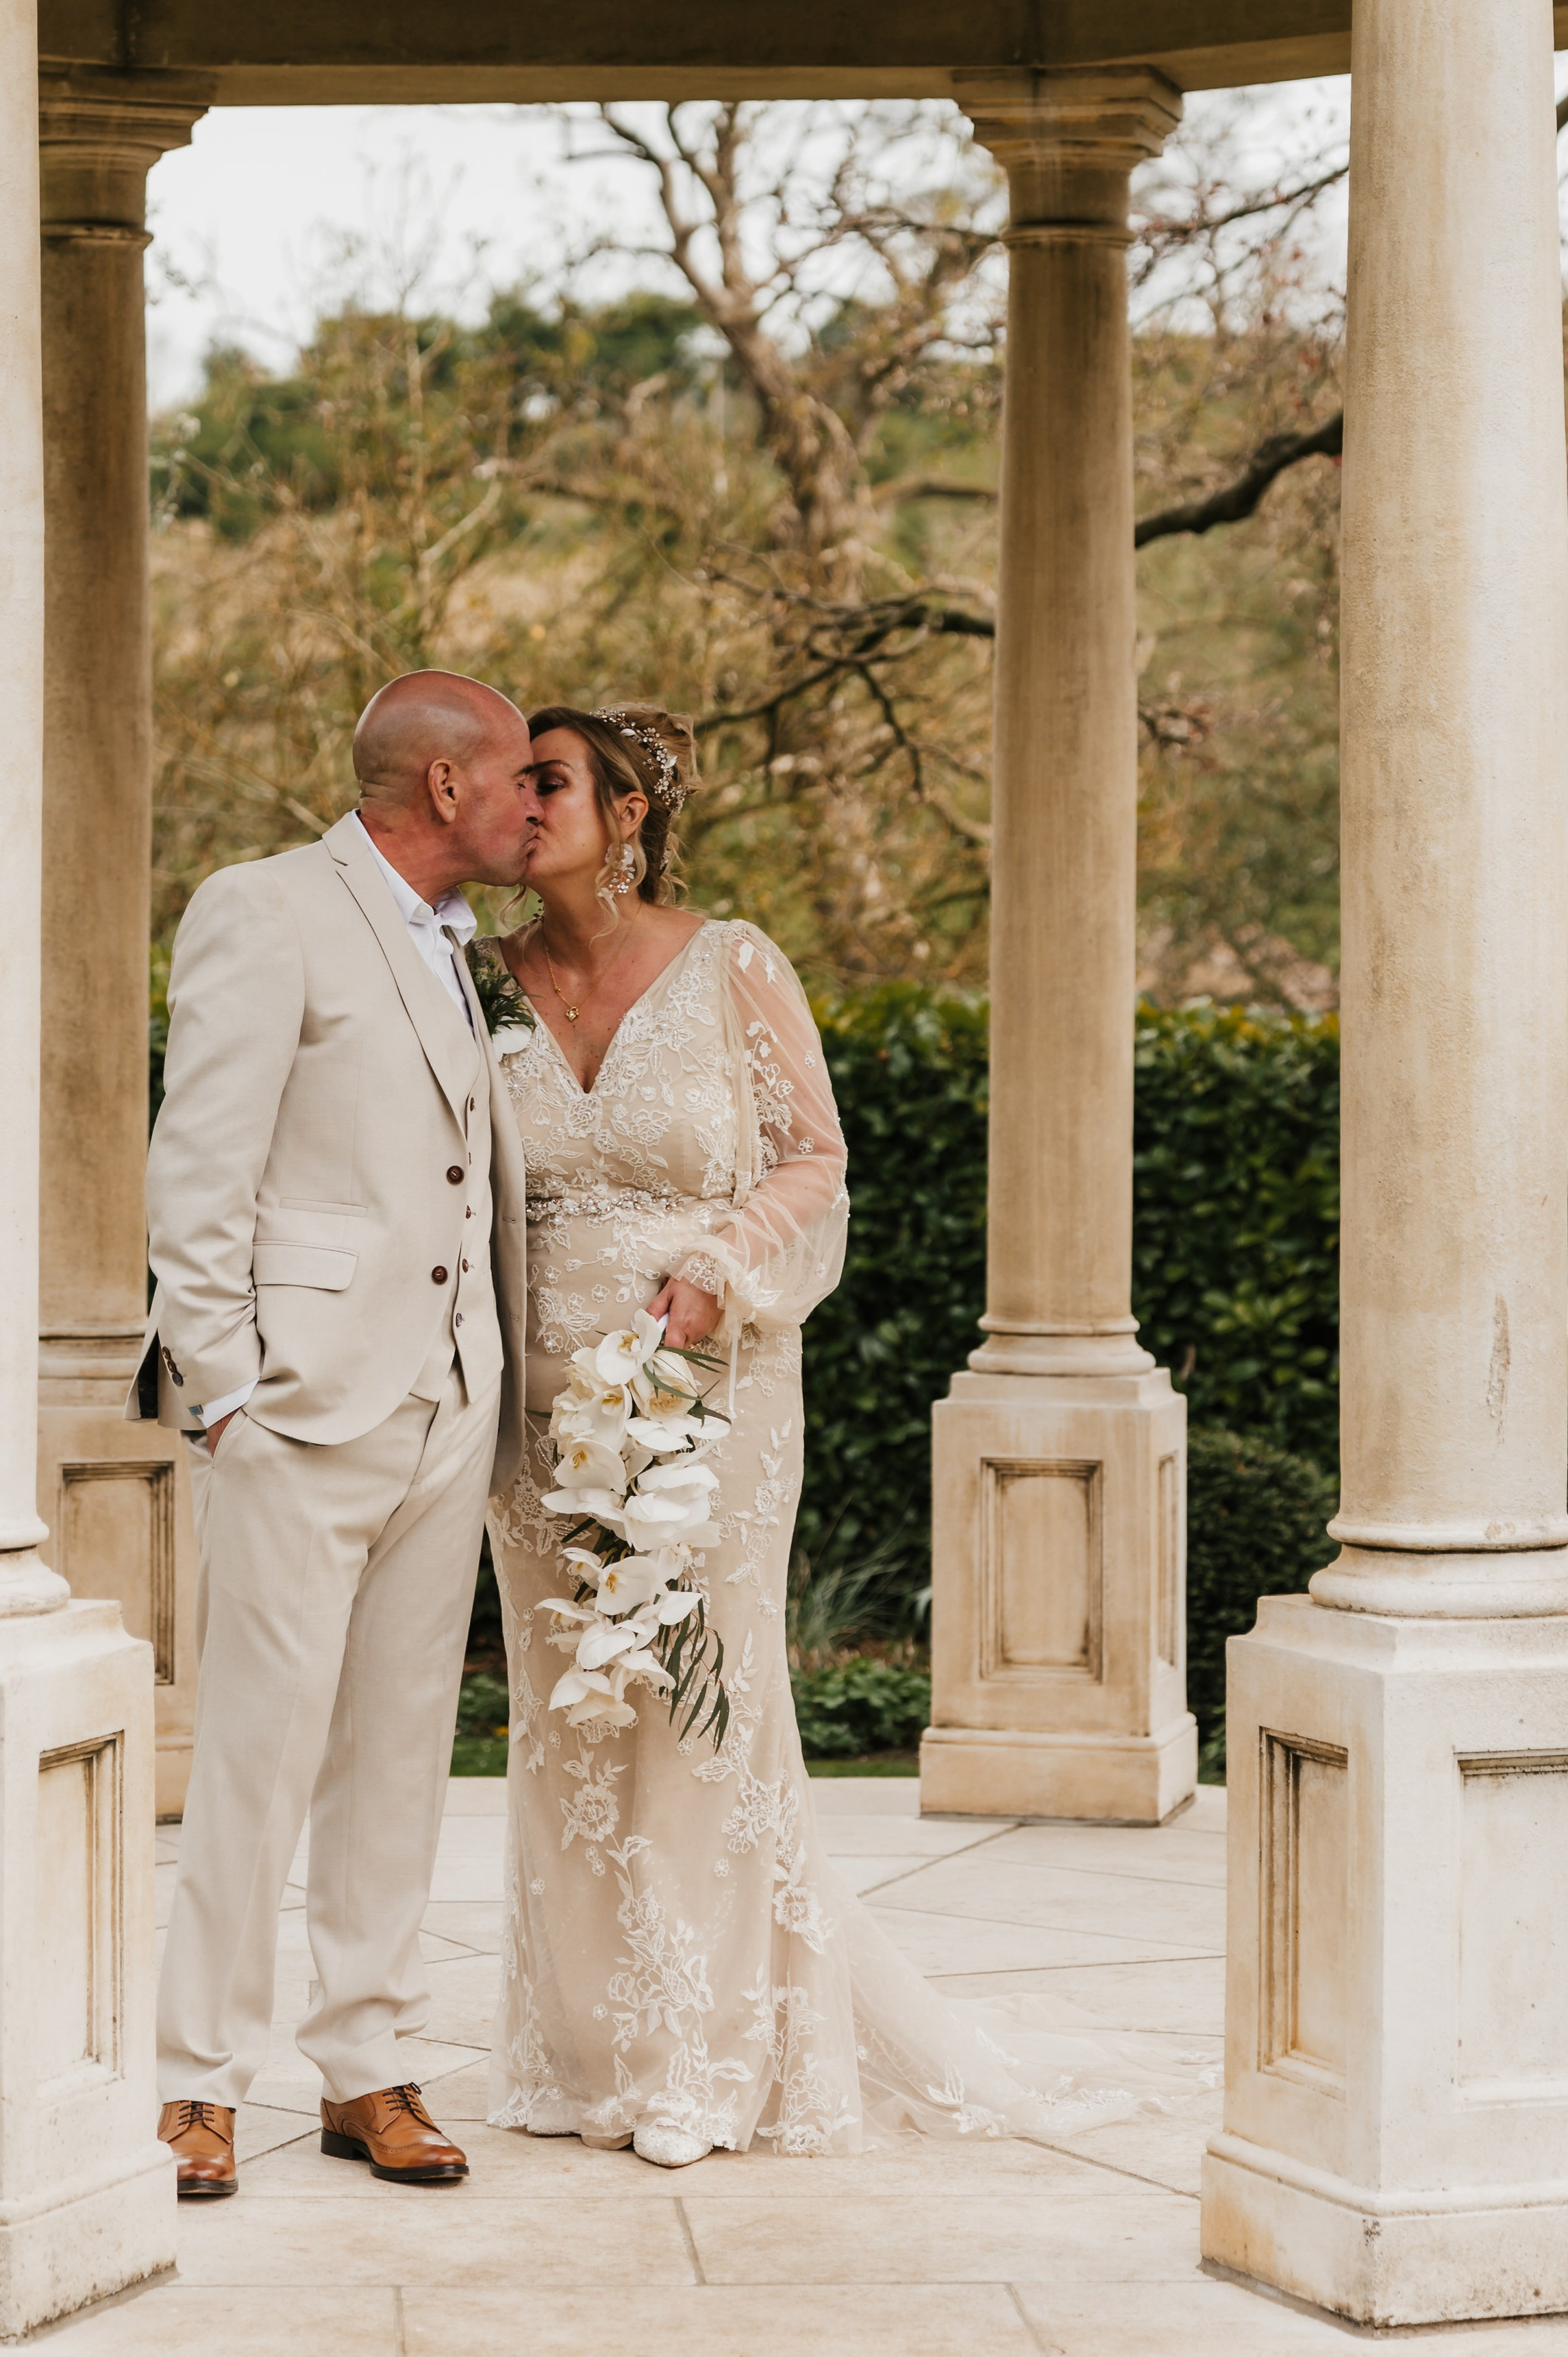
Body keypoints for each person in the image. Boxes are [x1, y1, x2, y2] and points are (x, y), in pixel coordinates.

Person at [481, 702, 1210, 2165]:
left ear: (628, 812)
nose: (518, 805)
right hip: (540, 1405)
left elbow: (814, 1155)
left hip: (714, 1386)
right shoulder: (478, 983)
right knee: (569, 1713)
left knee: (701, 1700)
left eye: (547, 780)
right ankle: (585, 2049)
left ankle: (705, 2054)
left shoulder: (733, 963)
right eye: (509, 784)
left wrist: (722, 1269)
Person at [129, 669, 538, 2199]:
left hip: (449, 1399)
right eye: (513, 779)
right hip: (300, 1406)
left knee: (397, 1753)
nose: (530, 806)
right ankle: (197, 2082)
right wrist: (227, 1390)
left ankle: (365, 2060)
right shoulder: (266, 907)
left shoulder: (459, 946)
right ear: (442, 786)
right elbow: (200, 1165)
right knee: (259, 1749)